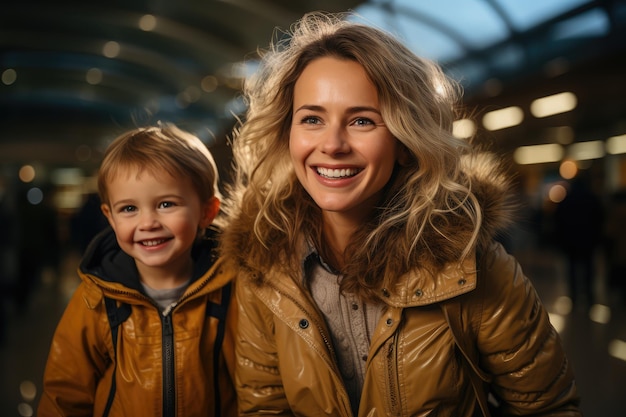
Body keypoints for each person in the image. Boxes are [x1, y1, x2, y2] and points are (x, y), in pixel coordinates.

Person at [221, 11, 581, 417]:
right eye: (312, 119)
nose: (333, 144)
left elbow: (550, 409)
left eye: (362, 120)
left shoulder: (474, 268)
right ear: (288, 134)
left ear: (404, 140)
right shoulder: (265, 270)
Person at [38, 124, 238, 417]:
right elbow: (64, 394)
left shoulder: (232, 291)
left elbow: (253, 387)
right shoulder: (96, 299)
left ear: (207, 211)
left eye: (166, 204)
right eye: (129, 209)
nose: (147, 223)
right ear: (110, 217)